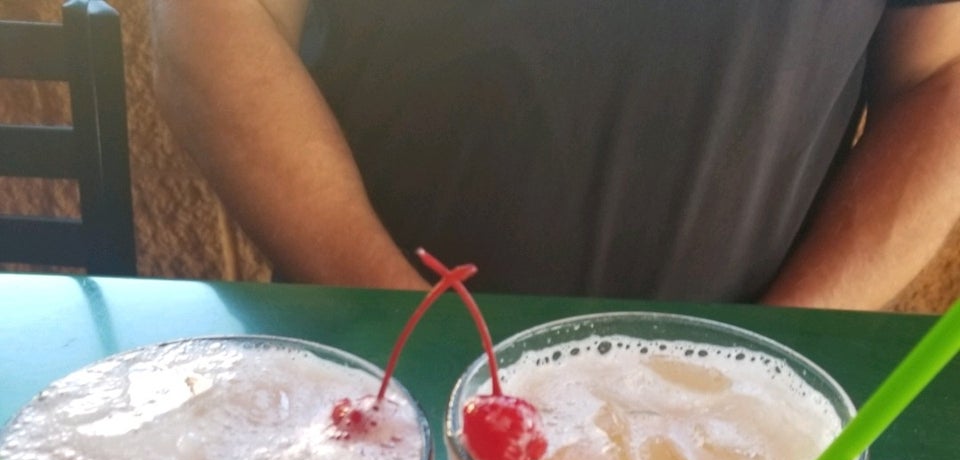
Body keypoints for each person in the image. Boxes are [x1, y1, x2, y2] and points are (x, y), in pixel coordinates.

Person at [149, 0, 960, 308]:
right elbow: (217, 14)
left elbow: (939, 78)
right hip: (375, 362)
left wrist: (781, 351)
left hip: (742, 405)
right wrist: (401, 321)